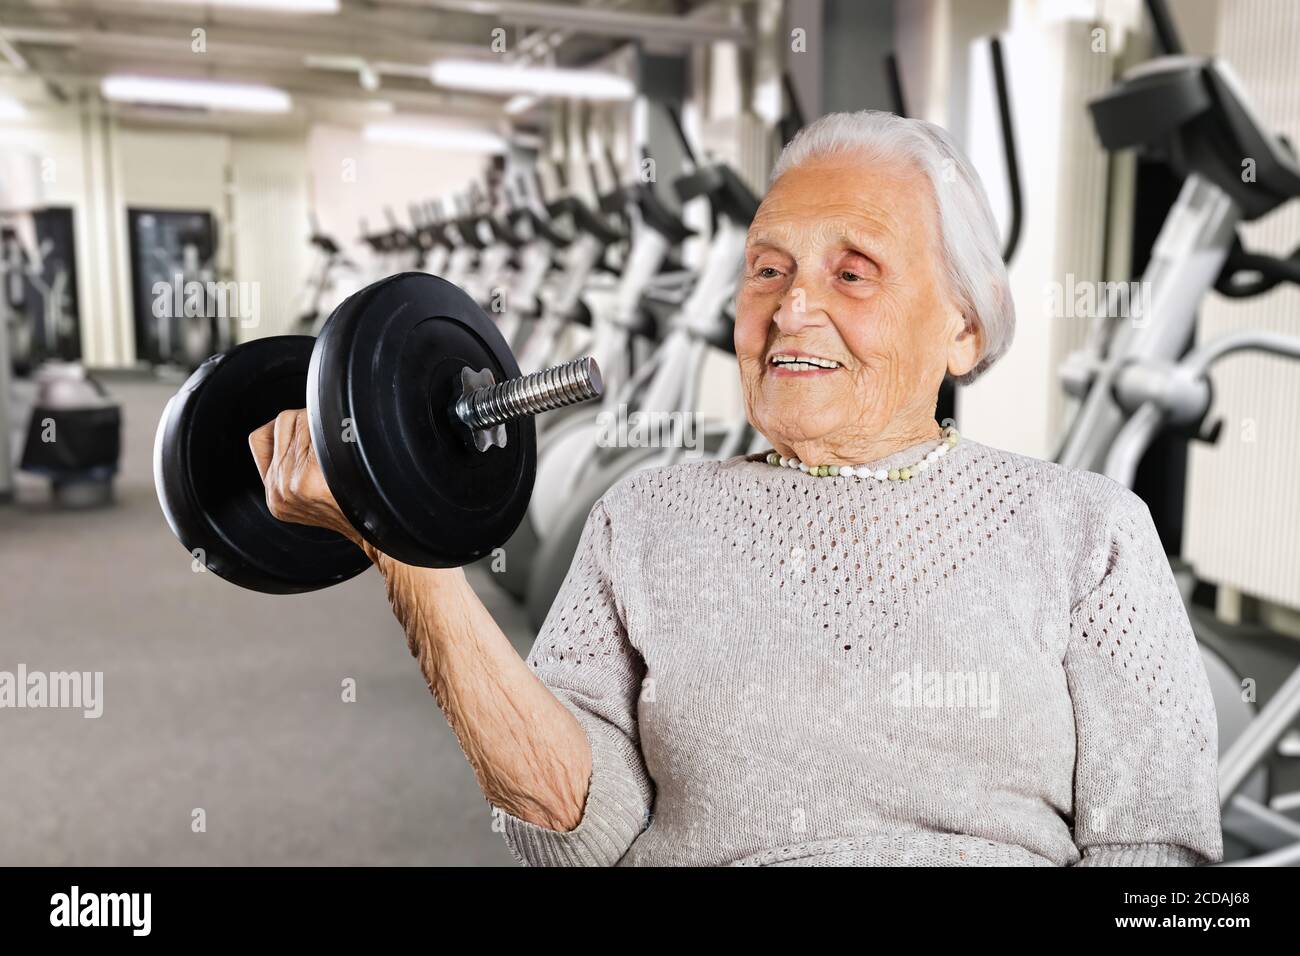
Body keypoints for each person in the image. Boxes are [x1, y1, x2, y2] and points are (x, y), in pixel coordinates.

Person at [249, 111, 1222, 867]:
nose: (793, 306)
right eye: (768, 269)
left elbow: (1159, 860)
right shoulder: (644, 519)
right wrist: (401, 552)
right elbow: (565, 818)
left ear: (963, 328)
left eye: (853, 272)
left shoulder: (1088, 529)